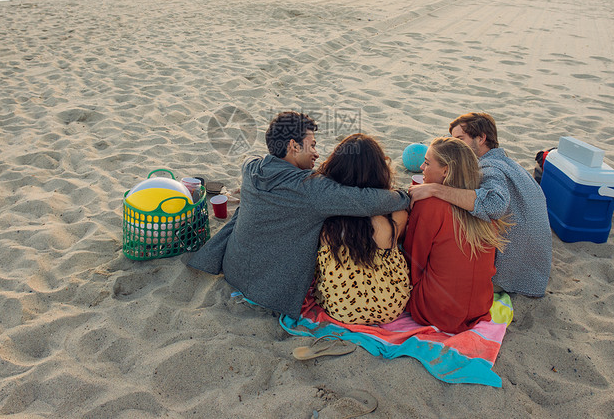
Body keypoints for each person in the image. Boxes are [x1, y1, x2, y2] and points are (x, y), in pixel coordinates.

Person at [188, 111, 410, 320]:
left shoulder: (251, 167)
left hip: (233, 269)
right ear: (293, 146)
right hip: (268, 291)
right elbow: (367, 201)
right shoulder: (310, 188)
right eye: (312, 145)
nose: (316, 152)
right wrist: (405, 195)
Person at [409, 112, 552, 297]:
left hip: (509, 278)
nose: (457, 146)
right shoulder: (510, 165)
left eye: (461, 139)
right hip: (534, 271)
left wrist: (436, 189)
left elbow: (494, 205)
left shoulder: (489, 169)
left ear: (482, 138)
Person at [404, 137, 507, 333]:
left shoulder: (429, 206)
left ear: (446, 171)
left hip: (436, 311)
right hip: (480, 306)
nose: (421, 166)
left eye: (427, 162)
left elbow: (414, 262)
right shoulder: (483, 208)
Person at [312, 134, 410, 325]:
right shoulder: (397, 213)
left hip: (341, 309)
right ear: (380, 170)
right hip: (392, 306)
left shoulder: (325, 215)